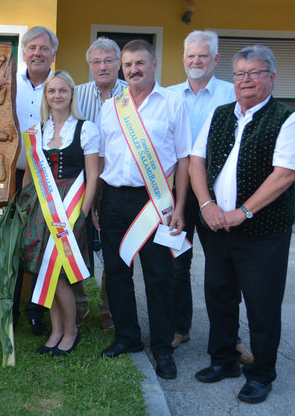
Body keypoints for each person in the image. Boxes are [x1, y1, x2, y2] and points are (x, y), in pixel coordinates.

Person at [190, 45, 295, 404]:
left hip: (263, 233)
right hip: (217, 227)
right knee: (219, 298)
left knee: (262, 305)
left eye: (255, 73)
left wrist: (242, 212)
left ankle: (261, 374)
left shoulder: (289, 118)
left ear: (271, 77)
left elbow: (283, 176)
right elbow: (196, 161)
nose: (246, 80)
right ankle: (224, 360)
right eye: (240, 73)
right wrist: (207, 204)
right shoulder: (219, 114)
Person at [97, 40, 191, 380]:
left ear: (153, 64)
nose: (133, 69)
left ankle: (163, 348)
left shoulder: (172, 103)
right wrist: (97, 204)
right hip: (113, 199)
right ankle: (128, 337)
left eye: (140, 63)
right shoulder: (112, 106)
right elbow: (104, 158)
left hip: (154, 200)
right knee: (117, 271)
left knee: (159, 276)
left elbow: (184, 158)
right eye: (128, 64)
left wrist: (179, 206)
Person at [165, 30, 246, 352]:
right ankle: (178, 328)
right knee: (176, 265)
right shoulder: (169, 95)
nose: (195, 61)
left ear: (215, 59)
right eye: (190, 56)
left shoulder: (232, 94)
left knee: (223, 270)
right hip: (177, 196)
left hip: (220, 198)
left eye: (203, 56)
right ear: (183, 59)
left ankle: (230, 338)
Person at [0, 26, 57, 341]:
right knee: (7, 247)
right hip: (10, 176)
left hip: (49, 178)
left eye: (44, 48)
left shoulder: (60, 86)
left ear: (53, 53)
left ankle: (36, 312)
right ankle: (6, 316)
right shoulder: (7, 84)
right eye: (32, 48)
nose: (37, 53)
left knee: (41, 245)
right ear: (23, 53)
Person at [19, 70, 99, 356]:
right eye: (52, 91)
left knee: (62, 274)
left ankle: (71, 330)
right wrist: (26, 208)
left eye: (62, 91)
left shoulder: (86, 128)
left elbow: (93, 175)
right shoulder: (36, 130)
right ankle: (55, 330)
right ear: (46, 96)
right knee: (45, 270)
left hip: (71, 209)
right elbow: (30, 173)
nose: (57, 96)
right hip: (42, 207)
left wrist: (84, 213)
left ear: (71, 94)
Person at [76, 36, 128, 331]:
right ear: (89, 65)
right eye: (97, 61)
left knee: (114, 247)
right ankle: (79, 303)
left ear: (119, 64)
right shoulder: (76, 94)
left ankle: (109, 307)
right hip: (78, 181)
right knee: (76, 242)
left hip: (114, 182)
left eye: (109, 60)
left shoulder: (131, 95)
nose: (103, 66)